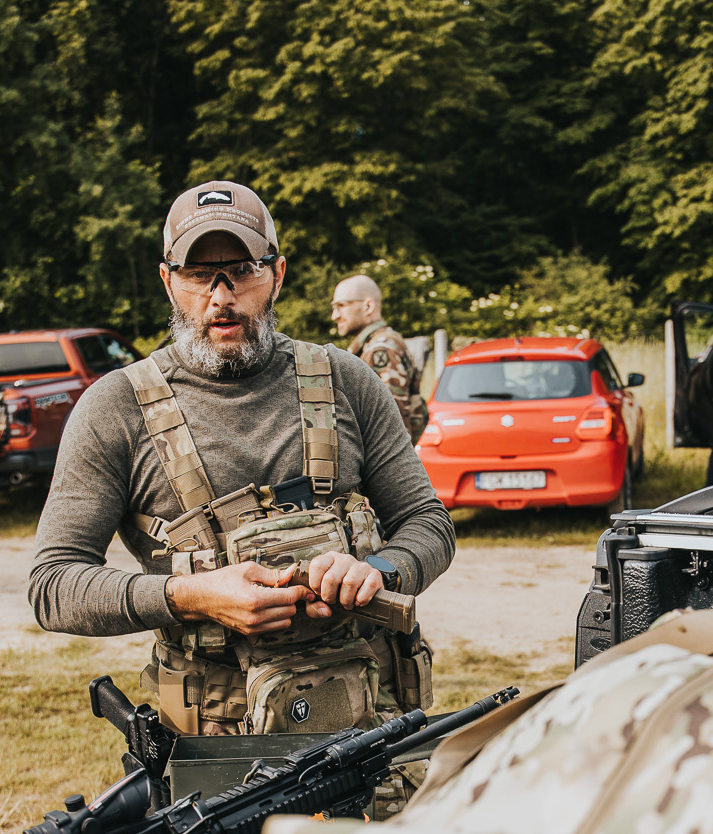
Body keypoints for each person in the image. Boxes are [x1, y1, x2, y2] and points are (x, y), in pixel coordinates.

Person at [30, 181, 453, 736]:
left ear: (277, 274)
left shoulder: (347, 380)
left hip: (369, 731)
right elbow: (53, 585)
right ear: (168, 281)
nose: (221, 296)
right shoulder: (115, 408)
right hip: (216, 754)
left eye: (243, 269)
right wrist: (188, 596)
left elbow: (429, 524)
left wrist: (375, 570)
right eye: (199, 275)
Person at [330, 275, 429, 439]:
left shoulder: (381, 350)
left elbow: (392, 428)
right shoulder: (372, 346)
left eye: (341, 305)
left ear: (368, 306)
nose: (335, 315)